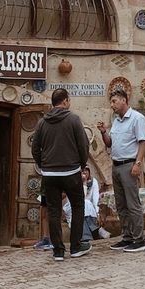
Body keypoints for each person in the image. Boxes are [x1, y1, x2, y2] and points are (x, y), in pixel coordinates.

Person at [31, 88, 91, 261]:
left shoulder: (42, 122)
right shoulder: (73, 119)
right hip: (71, 172)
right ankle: (76, 247)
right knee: (78, 206)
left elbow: (35, 149)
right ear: (65, 101)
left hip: (49, 174)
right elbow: (83, 145)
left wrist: (44, 166)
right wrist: (81, 164)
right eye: (68, 100)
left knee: (54, 210)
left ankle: (58, 251)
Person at [96, 86, 145, 253]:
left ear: (124, 100)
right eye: (111, 102)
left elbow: (143, 142)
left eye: (114, 101)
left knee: (133, 204)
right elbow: (110, 143)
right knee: (121, 205)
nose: (112, 105)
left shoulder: (137, 118)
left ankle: (139, 239)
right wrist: (104, 132)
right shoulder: (116, 120)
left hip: (129, 165)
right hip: (116, 166)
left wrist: (138, 164)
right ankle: (127, 237)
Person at [63, 166, 110, 242]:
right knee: (85, 203)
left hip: (89, 208)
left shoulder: (93, 181)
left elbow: (95, 199)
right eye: (82, 171)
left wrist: (97, 214)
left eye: (86, 170)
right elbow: (81, 198)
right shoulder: (74, 181)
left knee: (87, 204)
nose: (84, 172)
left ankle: (88, 235)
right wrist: (84, 182)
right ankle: (96, 230)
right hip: (72, 206)